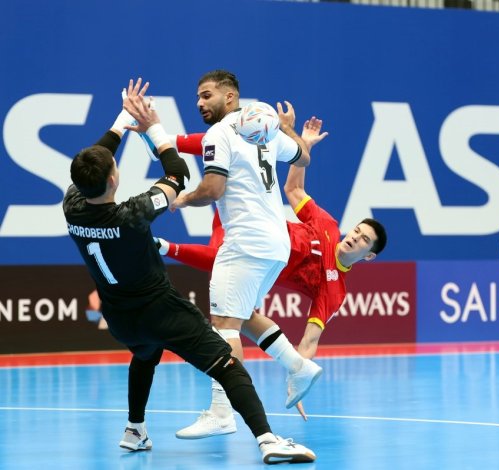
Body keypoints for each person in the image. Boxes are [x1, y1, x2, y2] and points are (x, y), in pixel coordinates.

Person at [63, 78, 315, 464]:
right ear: (114, 178)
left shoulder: (73, 208)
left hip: (120, 318)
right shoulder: (133, 214)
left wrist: (121, 124)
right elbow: (178, 174)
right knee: (227, 364)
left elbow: (91, 166)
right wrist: (140, 127)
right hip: (162, 310)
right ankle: (268, 440)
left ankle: (134, 429)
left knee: (145, 354)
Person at [155, 117, 387, 434]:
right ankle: (273, 381)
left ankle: (228, 406)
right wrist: (302, 144)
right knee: (238, 316)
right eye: (357, 231)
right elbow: (293, 188)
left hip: (259, 254)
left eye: (363, 240)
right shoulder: (328, 225)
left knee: (229, 314)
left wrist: (298, 383)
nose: (354, 238)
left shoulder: (334, 290)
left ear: (368, 255)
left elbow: (310, 338)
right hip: (254, 231)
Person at [169, 70, 324, 435]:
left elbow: (213, 189)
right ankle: (299, 366)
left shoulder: (219, 134)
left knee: (224, 325)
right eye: (197, 97)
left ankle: (222, 412)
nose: (199, 103)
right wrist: (287, 129)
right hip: (276, 244)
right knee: (245, 316)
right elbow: (303, 158)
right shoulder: (265, 129)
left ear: (230, 96)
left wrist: (184, 199)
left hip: (245, 241)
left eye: (206, 95)